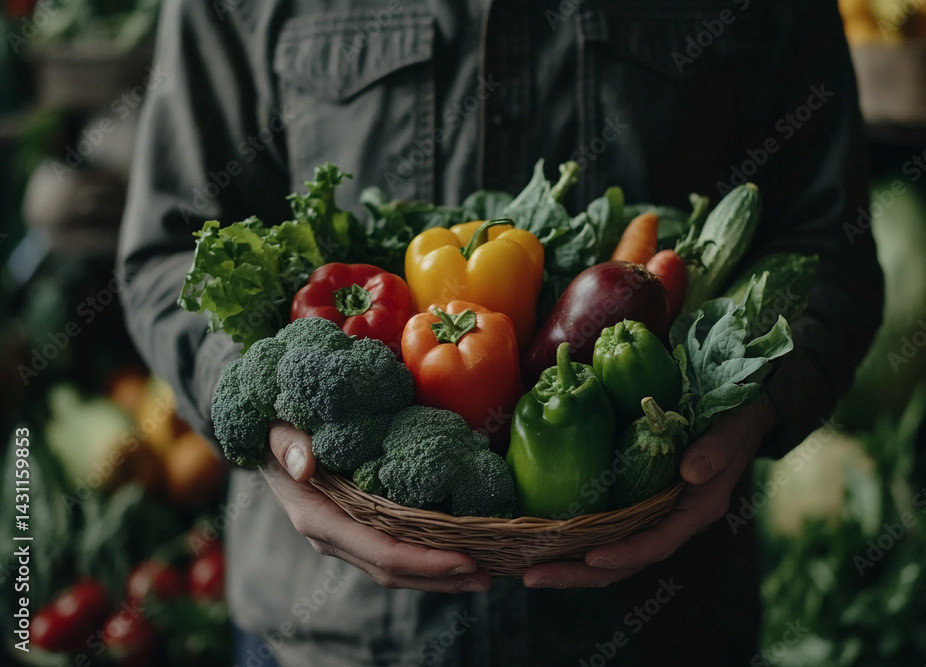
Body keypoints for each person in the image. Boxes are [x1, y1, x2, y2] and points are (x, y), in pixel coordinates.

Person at [117, 1, 883, 664]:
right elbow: (166, 251)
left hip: (660, 629)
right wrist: (268, 421)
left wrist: (757, 407)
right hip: (327, 633)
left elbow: (830, 248)